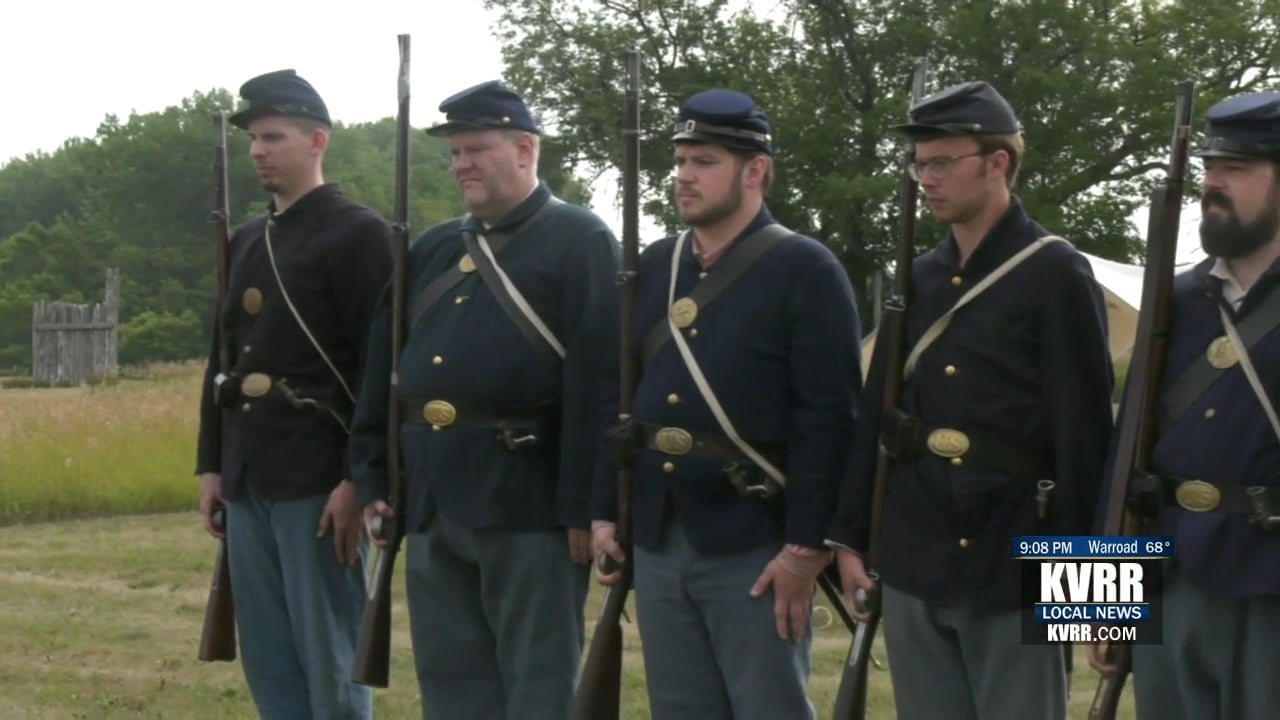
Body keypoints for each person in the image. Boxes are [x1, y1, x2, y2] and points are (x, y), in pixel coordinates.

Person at [824, 80, 1115, 720]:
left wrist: (1101, 603)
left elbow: (1088, 440)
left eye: (941, 162)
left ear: (998, 162)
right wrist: (849, 539)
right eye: (919, 164)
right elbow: (876, 413)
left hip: (1016, 558)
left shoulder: (1056, 271)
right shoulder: (920, 275)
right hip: (915, 549)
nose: (925, 179)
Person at [347, 79, 617, 719]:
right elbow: (384, 370)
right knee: (452, 680)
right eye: (456, 152)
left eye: (476, 149)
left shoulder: (580, 240)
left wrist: (587, 503)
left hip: (528, 499)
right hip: (436, 496)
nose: (462, 163)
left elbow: (599, 385)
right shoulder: (436, 247)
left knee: (536, 680)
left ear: (526, 149)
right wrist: (373, 473)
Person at [590, 88, 863, 719]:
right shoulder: (655, 266)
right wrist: (606, 510)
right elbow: (618, 395)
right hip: (659, 531)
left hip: (753, 536)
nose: (684, 175)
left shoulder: (805, 268)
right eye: (681, 159)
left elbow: (830, 420)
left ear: (755, 170)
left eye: (704, 160)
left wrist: (803, 550)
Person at [194, 69, 393, 718]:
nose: (258, 150)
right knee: (270, 661)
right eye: (254, 137)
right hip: (250, 475)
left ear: (317, 141)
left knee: (332, 660)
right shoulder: (248, 239)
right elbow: (223, 364)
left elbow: (382, 368)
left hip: (316, 476)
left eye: (273, 135)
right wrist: (211, 466)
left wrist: (357, 478)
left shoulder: (359, 234)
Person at [1087, 90, 1280, 719]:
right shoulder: (1176, 299)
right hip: (1171, 575)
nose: (1212, 185)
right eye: (1208, 169)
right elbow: (1126, 454)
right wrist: (1097, 602)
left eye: (1236, 170)